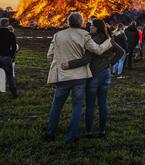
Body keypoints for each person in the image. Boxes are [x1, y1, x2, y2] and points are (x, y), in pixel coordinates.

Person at [45, 12, 113, 143]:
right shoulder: (85, 35)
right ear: (81, 23)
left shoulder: (58, 35)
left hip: (63, 76)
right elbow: (98, 50)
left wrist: (58, 66)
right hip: (79, 77)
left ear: (68, 22)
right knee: (77, 107)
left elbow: (50, 55)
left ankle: (50, 133)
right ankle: (71, 137)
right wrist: (108, 42)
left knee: (56, 105)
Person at [62, 18, 124, 137]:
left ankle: (89, 131)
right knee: (102, 103)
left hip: (94, 74)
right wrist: (110, 63)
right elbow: (121, 52)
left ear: (97, 27)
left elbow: (86, 59)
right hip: (106, 74)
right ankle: (102, 130)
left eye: (92, 26)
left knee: (90, 104)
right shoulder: (109, 40)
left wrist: (70, 64)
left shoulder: (92, 41)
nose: (90, 27)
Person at [0, 18, 17, 98]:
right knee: (10, 76)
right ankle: (14, 93)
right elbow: (14, 47)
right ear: (7, 24)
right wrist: (11, 55)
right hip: (6, 57)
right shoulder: (11, 34)